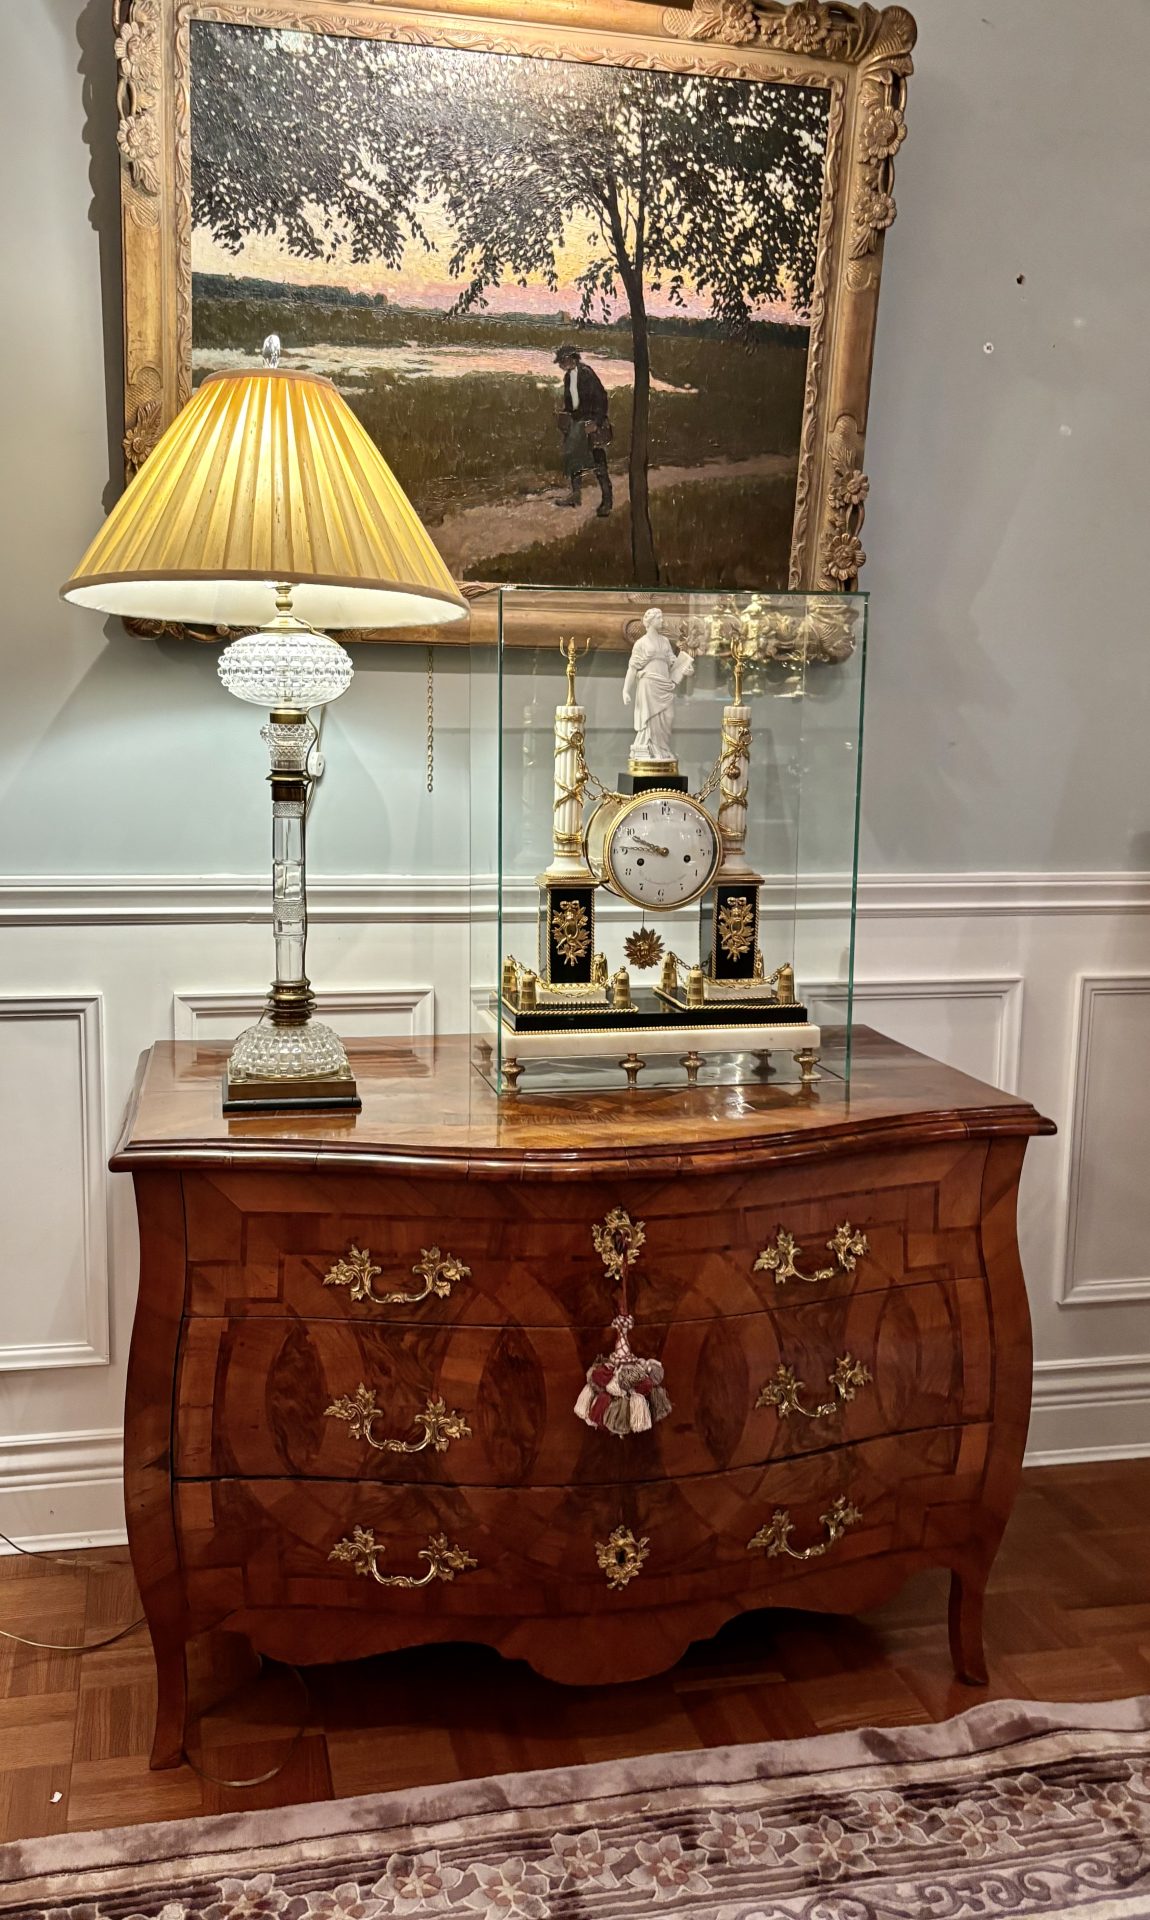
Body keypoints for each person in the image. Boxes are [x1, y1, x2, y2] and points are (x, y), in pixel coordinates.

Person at [623, 607, 694, 766]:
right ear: (650, 621)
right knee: (651, 719)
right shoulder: (641, 643)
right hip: (649, 685)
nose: (662, 621)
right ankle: (652, 749)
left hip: (664, 685)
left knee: (668, 717)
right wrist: (626, 690)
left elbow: (673, 662)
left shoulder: (664, 641)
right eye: (659, 618)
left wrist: (686, 669)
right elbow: (632, 668)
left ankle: (662, 748)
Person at [553, 346, 614, 517]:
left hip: (591, 422)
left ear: (571, 358)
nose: (560, 365)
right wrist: (565, 414)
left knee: (598, 461)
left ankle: (607, 501)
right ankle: (575, 495)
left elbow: (601, 398)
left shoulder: (586, 374)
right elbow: (571, 402)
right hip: (576, 423)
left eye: (562, 361)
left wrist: (596, 422)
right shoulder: (567, 377)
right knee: (573, 458)